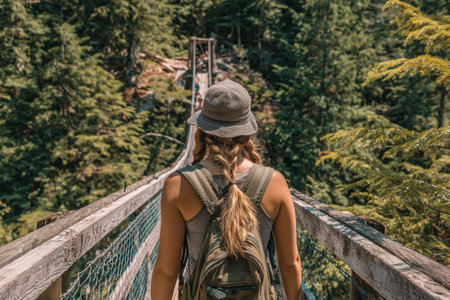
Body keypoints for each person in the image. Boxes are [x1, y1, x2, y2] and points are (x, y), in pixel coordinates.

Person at [151, 80, 302, 299]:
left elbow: (167, 270)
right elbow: (290, 265)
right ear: (247, 131)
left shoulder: (178, 184)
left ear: (202, 129)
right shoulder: (275, 182)